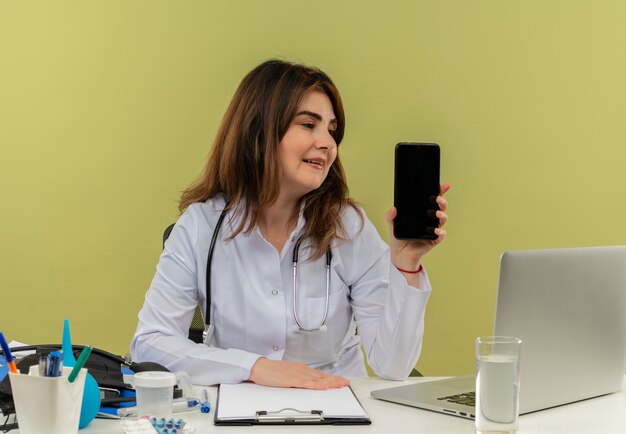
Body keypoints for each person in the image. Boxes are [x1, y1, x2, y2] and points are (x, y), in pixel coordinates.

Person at [131, 59, 450, 390]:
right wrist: (254, 366)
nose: (327, 143)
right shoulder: (200, 227)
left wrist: (406, 264)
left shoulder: (348, 228)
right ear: (260, 132)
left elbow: (393, 366)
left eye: (331, 129)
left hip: (337, 407)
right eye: (309, 125)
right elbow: (150, 342)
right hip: (240, 411)